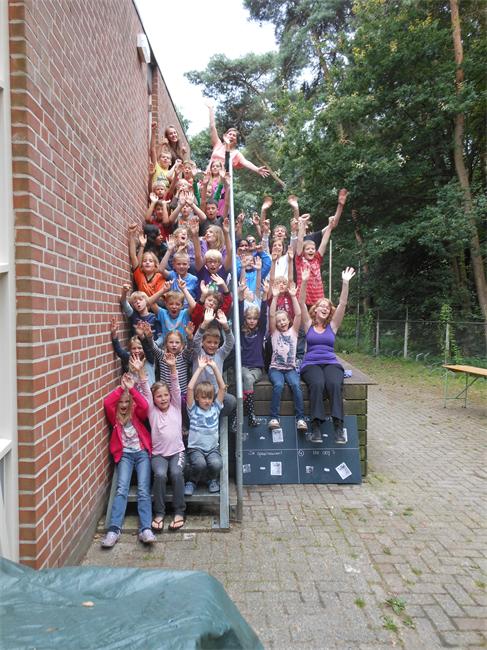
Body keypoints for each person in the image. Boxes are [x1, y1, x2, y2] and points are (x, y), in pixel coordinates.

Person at [299, 266, 356, 443]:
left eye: (327, 307)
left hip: (331, 363)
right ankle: (316, 428)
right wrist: (305, 281)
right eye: (321, 306)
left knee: (334, 383)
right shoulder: (308, 324)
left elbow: (343, 304)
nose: (325, 308)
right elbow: (301, 302)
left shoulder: (333, 326)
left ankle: (338, 428)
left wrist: (345, 283)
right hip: (311, 364)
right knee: (317, 383)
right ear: (315, 310)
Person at [101, 372, 155, 548]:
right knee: (122, 488)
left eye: (126, 402)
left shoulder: (135, 413)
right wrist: (121, 389)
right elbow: (107, 403)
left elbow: (145, 405)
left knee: (143, 489)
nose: (123, 405)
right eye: (121, 402)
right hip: (125, 455)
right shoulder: (114, 416)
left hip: (141, 454)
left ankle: (145, 529)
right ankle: (114, 529)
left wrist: (131, 389)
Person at [134, 352, 186, 532]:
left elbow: (175, 386)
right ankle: (159, 513)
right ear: (154, 399)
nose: (163, 398)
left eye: (165, 395)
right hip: (158, 455)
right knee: (160, 475)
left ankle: (179, 512)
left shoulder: (176, 405)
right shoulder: (151, 410)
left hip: (177, 452)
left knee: (176, 473)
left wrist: (172, 367)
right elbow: (145, 388)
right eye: (159, 396)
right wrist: (140, 371)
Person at [267, 283, 308, 433]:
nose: (281, 323)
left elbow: (298, 314)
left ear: (288, 320)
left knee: (296, 386)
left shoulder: (294, 332)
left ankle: (300, 419)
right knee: (278, 385)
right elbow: (271, 315)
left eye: (284, 320)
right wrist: (275, 296)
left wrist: (293, 296)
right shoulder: (274, 333)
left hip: (290, 369)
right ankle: (274, 418)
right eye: (279, 321)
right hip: (276, 369)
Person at [185, 356, 226, 496]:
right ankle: (192, 482)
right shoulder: (193, 409)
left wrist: (214, 367)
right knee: (200, 464)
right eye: (204, 397)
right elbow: (190, 388)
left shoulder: (216, 408)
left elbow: (222, 387)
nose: (207, 401)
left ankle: (211, 480)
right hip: (196, 448)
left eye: (209, 397)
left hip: (212, 449)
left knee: (217, 464)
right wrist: (200, 368)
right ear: (197, 398)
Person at [207, 104, 269, 177]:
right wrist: (211, 109)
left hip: (221, 180)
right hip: (207, 178)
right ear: (225, 136)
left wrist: (257, 169)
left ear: (236, 141)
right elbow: (212, 127)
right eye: (230, 134)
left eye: (234, 136)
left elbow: (245, 162)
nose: (231, 136)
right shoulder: (218, 145)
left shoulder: (236, 153)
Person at [239, 297, 267, 427]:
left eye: (255, 319)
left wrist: (265, 297)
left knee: (248, 379)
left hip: (257, 368)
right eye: (249, 318)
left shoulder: (260, 331)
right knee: (247, 378)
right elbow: (239, 315)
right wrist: (240, 299)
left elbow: (264, 317)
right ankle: (251, 415)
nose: (252, 321)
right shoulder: (241, 331)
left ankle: (238, 415)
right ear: (245, 319)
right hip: (244, 366)